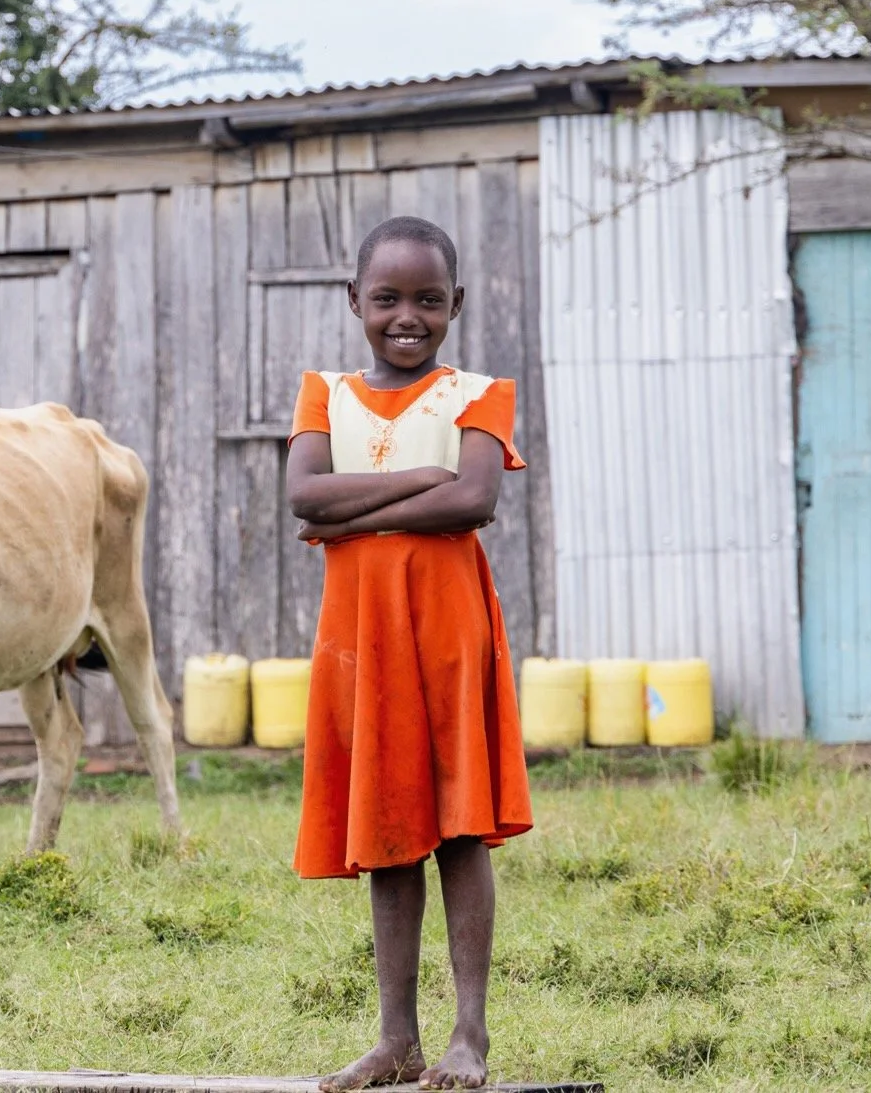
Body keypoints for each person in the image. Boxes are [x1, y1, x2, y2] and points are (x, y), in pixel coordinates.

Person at [284, 215, 532, 1092]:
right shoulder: (324, 393)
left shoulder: (479, 392)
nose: (407, 317)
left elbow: (472, 501)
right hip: (362, 642)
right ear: (355, 300)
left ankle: (470, 1036)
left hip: (448, 636)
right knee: (388, 833)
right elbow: (301, 494)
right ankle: (397, 1041)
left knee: (460, 828)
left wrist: (353, 517)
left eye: (429, 300)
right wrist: (418, 479)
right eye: (386, 297)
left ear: (455, 304)